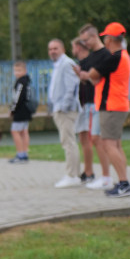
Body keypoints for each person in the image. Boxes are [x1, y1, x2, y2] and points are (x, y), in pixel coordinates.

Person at [79, 21, 130, 197]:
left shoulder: (114, 57)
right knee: (116, 145)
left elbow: (93, 75)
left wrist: (87, 75)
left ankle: (124, 183)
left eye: (106, 38)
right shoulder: (123, 56)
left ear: (110, 39)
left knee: (109, 145)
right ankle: (122, 181)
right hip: (118, 104)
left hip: (111, 105)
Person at [77, 23, 114, 190]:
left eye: (85, 40)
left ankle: (107, 177)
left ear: (93, 37)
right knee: (95, 139)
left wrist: (88, 76)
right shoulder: (92, 57)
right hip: (94, 101)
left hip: (103, 102)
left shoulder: (105, 55)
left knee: (101, 140)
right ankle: (106, 176)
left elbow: (101, 79)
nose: (84, 44)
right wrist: (83, 75)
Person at [47, 39, 81, 186]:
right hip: (59, 108)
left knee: (69, 142)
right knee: (66, 141)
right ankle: (73, 174)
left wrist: (64, 106)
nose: (52, 51)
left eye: (55, 48)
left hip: (65, 110)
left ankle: (72, 175)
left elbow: (71, 87)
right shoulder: (58, 65)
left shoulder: (66, 64)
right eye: (50, 49)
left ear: (62, 49)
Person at [71, 37, 96, 183]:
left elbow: (92, 81)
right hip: (83, 104)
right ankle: (87, 170)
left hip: (90, 104)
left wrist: (81, 75)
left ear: (79, 47)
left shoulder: (89, 62)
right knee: (83, 138)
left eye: (73, 47)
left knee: (88, 139)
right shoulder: (82, 63)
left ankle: (89, 172)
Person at [8, 60, 33, 164]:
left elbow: (17, 98)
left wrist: (12, 110)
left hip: (20, 110)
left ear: (25, 70)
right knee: (24, 132)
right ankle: (25, 154)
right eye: (15, 70)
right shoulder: (28, 81)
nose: (17, 73)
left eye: (19, 70)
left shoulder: (20, 82)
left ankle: (20, 154)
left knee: (15, 131)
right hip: (27, 110)